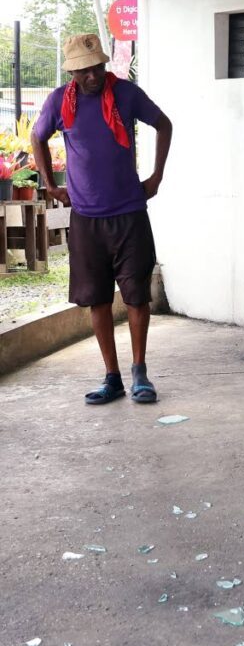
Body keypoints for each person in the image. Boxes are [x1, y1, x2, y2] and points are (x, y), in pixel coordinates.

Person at [31, 33, 172, 405]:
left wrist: (156, 177)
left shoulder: (126, 94)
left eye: (97, 67)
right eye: (84, 71)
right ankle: (112, 377)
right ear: (72, 72)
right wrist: (50, 185)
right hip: (86, 219)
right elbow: (37, 136)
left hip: (129, 214)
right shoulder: (60, 101)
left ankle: (140, 372)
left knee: (137, 296)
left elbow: (164, 124)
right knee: (97, 300)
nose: (92, 76)